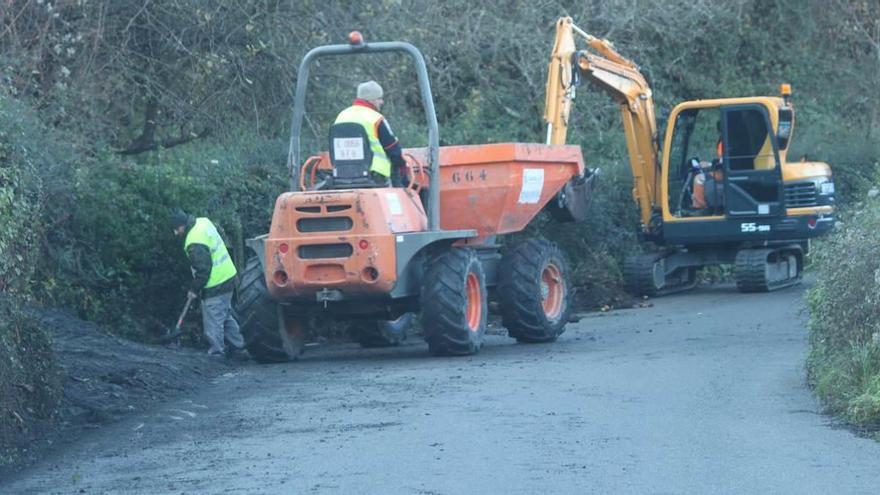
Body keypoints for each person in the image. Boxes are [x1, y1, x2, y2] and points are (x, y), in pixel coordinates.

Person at [170, 209, 248, 360]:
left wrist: (194, 289)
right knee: (224, 315)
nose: (175, 233)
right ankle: (239, 346)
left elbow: (203, 270)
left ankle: (217, 353)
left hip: (216, 284)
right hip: (228, 276)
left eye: (176, 229)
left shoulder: (194, 241)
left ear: (182, 226)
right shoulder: (203, 222)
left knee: (213, 321)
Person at [334, 80, 408, 187]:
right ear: (371, 100)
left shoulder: (341, 116)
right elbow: (394, 151)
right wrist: (403, 170)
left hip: (342, 178)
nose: (382, 102)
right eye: (379, 98)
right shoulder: (376, 119)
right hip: (375, 178)